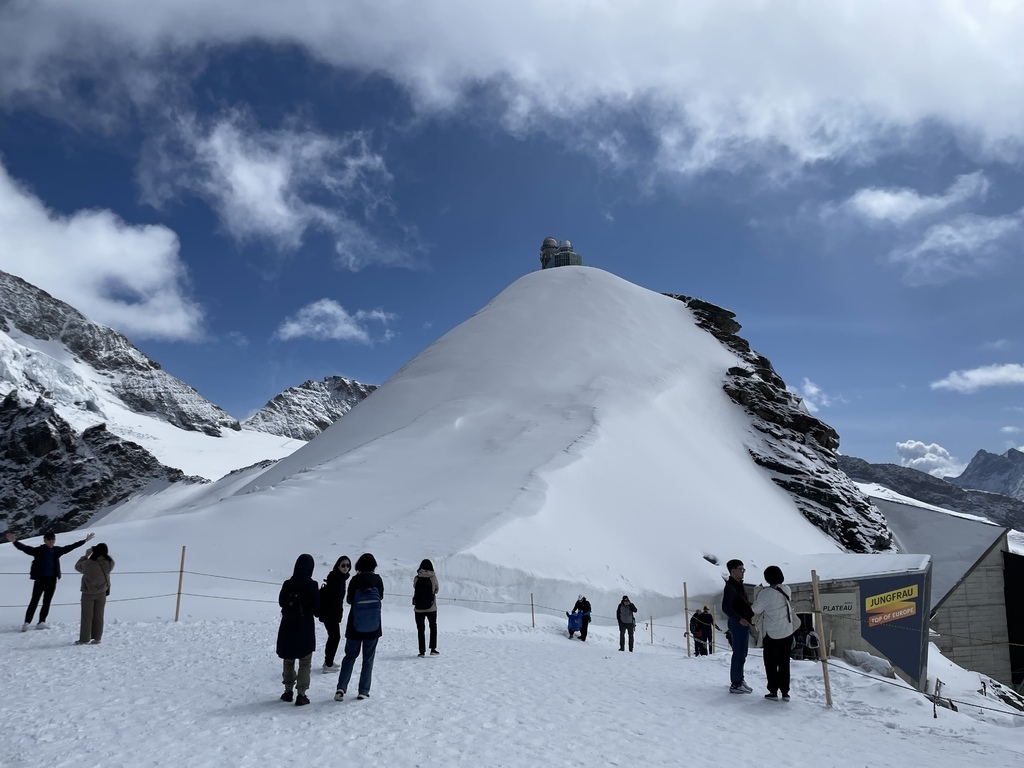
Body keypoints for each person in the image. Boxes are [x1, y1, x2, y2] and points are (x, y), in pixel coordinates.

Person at [6, 530, 94, 631]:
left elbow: (71, 547)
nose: (51, 541)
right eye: (49, 539)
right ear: (45, 540)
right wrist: (14, 541)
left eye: (53, 539)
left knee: (47, 601)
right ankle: (27, 622)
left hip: (52, 580)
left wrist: (85, 540)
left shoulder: (57, 550)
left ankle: (41, 621)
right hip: (40, 579)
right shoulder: (38, 550)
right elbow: (25, 548)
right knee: (34, 601)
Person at [335, 552, 384, 701]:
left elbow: (349, 599)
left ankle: (341, 688)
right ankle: (363, 690)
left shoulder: (355, 580)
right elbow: (380, 597)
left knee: (350, 657)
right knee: (368, 659)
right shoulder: (377, 580)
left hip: (354, 626)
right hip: (373, 626)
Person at [276, 553, 320, 706]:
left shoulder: (288, 584)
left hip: (288, 626)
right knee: (305, 661)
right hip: (305, 627)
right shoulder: (312, 585)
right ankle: (301, 694)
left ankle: (288, 691)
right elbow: (316, 607)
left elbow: (281, 602)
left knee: (288, 660)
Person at [751, 565, 799, 702]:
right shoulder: (786, 589)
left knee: (771, 663)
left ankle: (773, 691)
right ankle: (785, 692)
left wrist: (757, 594)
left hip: (771, 634)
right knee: (784, 663)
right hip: (787, 632)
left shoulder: (765, 594)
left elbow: (756, 609)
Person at [721, 559, 754, 694]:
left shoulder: (738, 585)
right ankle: (735, 683)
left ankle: (739, 679)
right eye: (740, 569)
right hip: (737, 623)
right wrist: (739, 618)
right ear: (733, 571)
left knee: (743, 653)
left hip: (743, 622)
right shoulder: (731, 587)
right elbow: (726, 607)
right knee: (739, 653)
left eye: (743, 569)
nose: (742, 572)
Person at [73, 543, 114, 645]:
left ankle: (84, 639)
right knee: (99, 616)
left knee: (87, 617)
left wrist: (86, 556)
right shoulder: (110, 563)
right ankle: (97, 637)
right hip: (102, 593)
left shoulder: (89, 563)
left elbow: (77, 567)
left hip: (88, 593)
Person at [318, 555, 351, 671]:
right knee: (335, 636)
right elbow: (334, 599)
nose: (345, 568)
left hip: (331, 613)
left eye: (347, 565)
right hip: (330, 613)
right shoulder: (336, 578)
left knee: (333, 636)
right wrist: (336, 613)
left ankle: (328, 661)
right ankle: (328, 664)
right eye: (343, 565)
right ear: (338, 566)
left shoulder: (340, 578)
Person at [413, 558, 439, 657]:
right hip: (431, 607)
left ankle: (421, 652)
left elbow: (415, 587)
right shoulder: (433, 577)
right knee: (433, 627)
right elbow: (436, 590)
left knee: (420, 629)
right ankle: (433, 649)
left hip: (418, 608)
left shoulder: (417, 577)